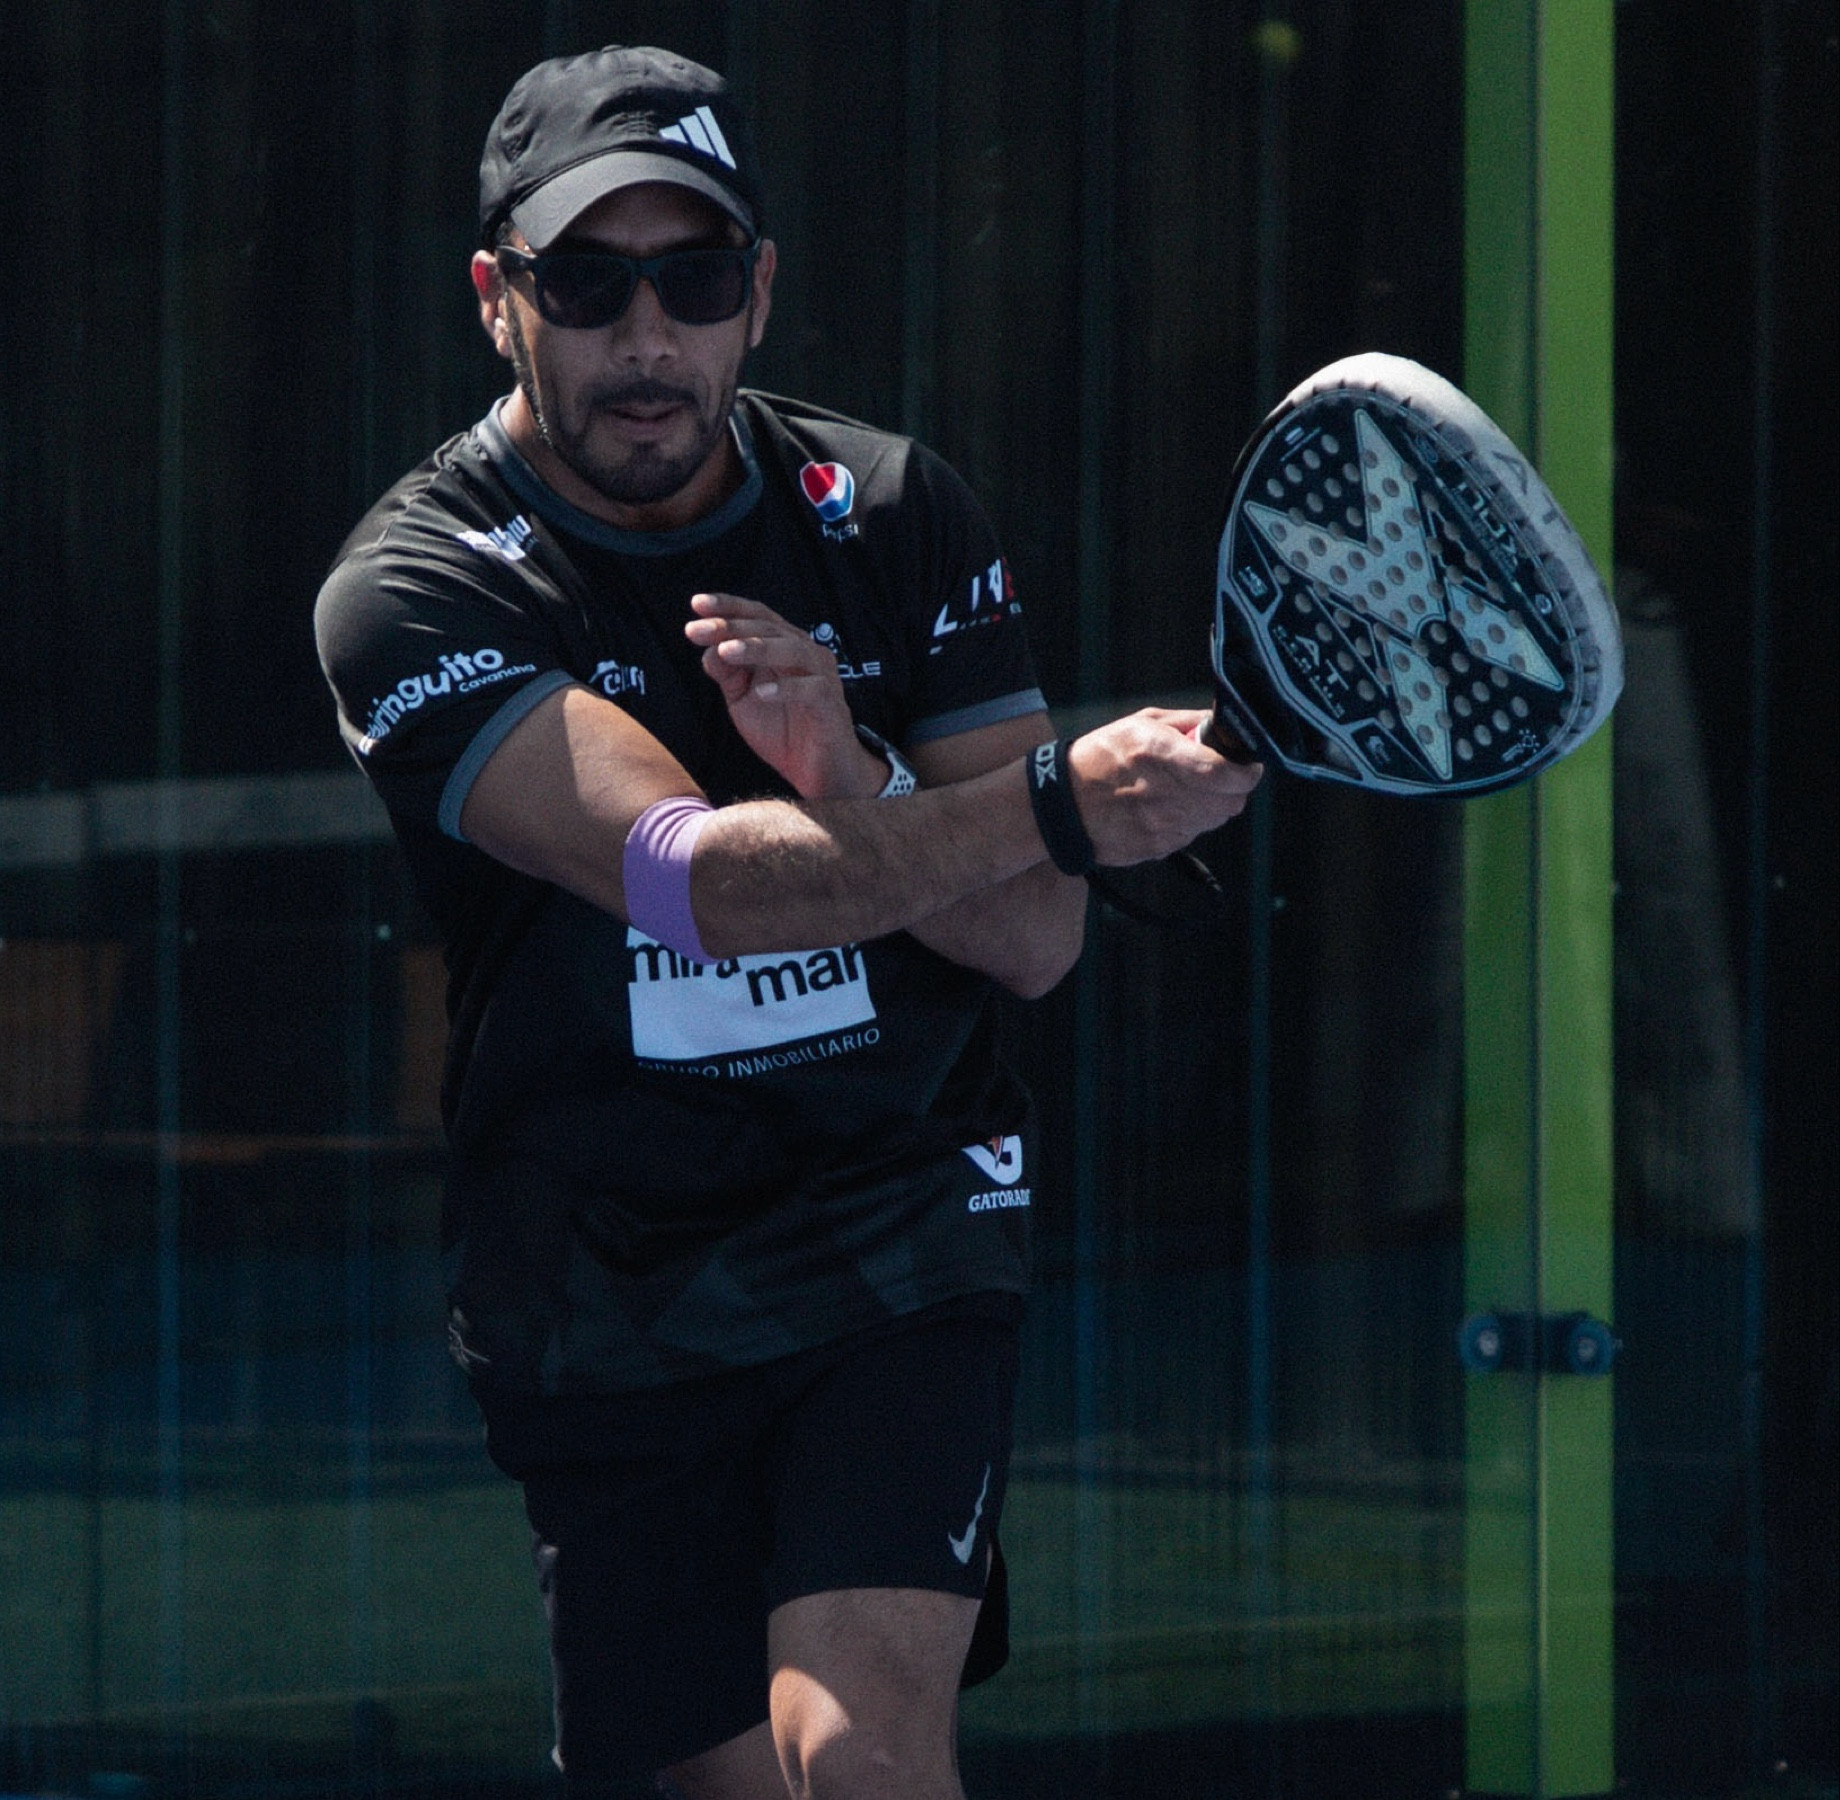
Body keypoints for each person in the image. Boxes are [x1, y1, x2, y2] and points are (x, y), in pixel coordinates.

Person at [315, 43, 1260, 1800]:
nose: (645, 336)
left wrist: (860, 769)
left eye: (692, 280)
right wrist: (1055, 800)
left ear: (756, 294)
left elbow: (1036, 943)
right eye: (587, 284)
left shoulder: (890, 511)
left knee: (861, 1750)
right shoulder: (413, 585)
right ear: (497, 301)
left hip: (905, 1214)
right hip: (598, 1269)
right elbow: (692, 882)